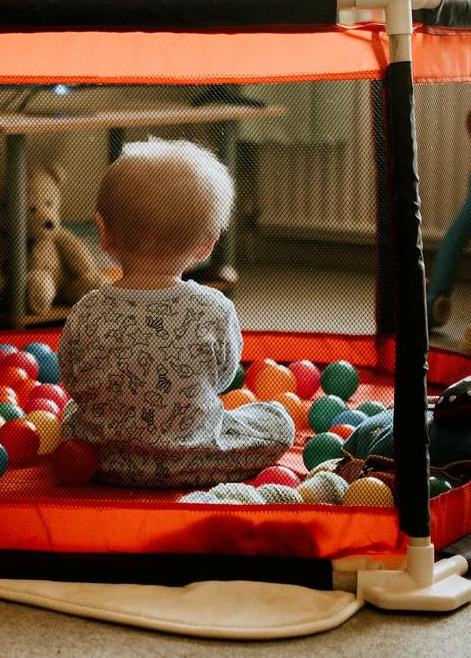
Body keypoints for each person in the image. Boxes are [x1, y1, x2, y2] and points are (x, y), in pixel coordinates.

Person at [58, 139, 294, 487]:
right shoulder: (214, 308)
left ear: (104, 233)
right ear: (207, 245)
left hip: (102, 460)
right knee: (278, 422)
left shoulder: (86, 309)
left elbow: (72, 379)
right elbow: (223, 379)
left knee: (70, 414)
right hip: (196, 460)